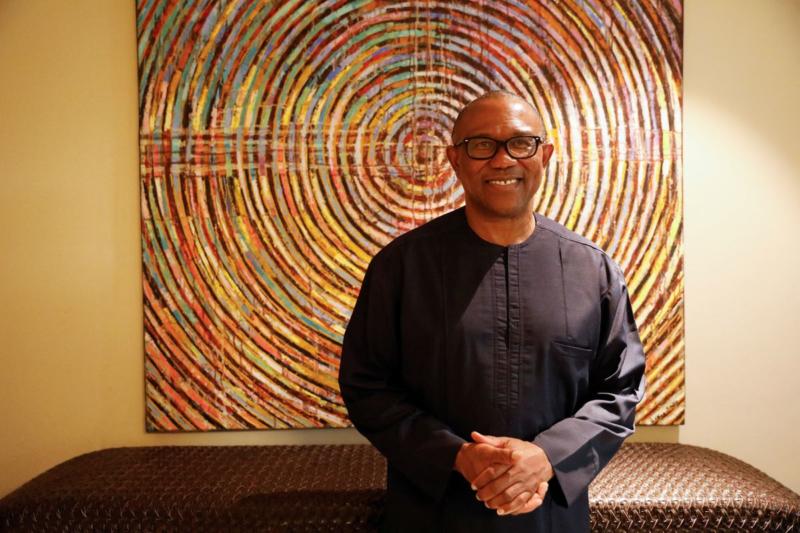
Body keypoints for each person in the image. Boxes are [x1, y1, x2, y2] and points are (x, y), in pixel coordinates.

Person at [338, 91, 646, 532]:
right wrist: (458, 456)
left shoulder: (592, 269)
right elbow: (366, 386)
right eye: (482, 145)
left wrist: (546, 457)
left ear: (545, 155)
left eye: (521, 144)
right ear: (455, 159)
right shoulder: (401, 267)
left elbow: (620, 389)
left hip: (550, 516)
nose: (503, 160)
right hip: (432, 514)